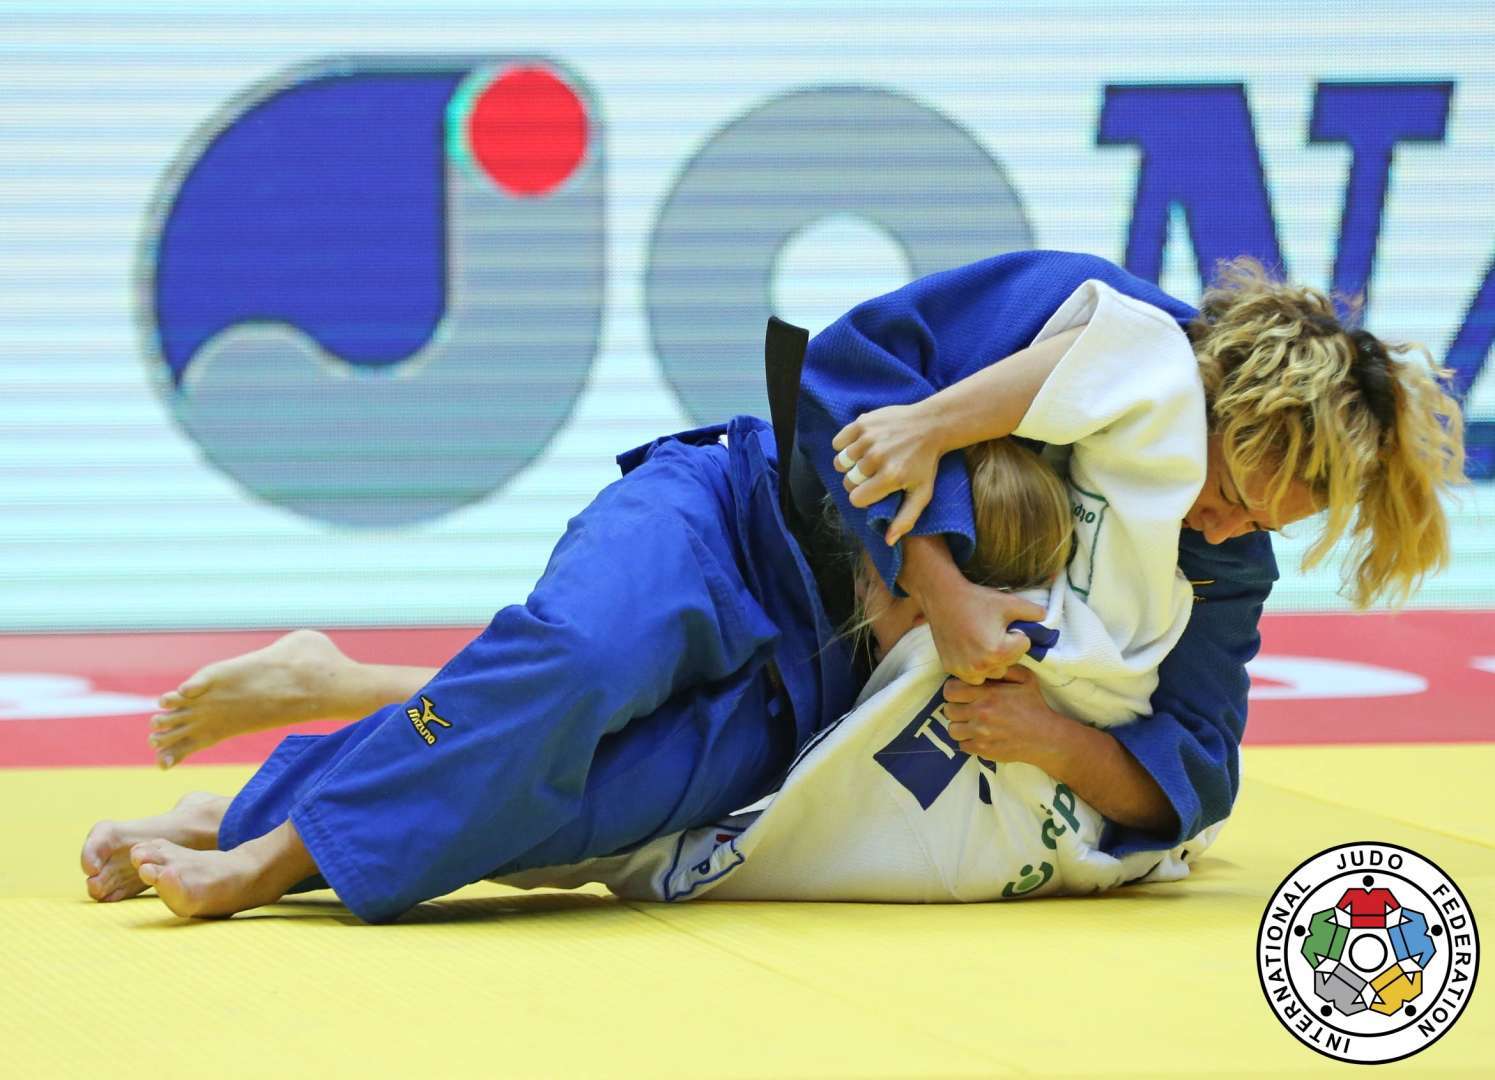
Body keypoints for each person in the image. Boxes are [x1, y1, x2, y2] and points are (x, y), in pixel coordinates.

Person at [82, 250, 1463, 920]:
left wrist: (1055, 738)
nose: (1225, 523)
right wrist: (943, 585)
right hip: (740, 521)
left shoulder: (1221, 566)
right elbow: (846, 376)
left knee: (569, 819)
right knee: (578, 664)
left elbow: (1198, 770)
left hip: (824, 700)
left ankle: (260, 786)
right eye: (1229, 482)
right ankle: (262, 861)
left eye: (1270, 519)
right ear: (1219, 391)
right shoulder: (1093, 326)